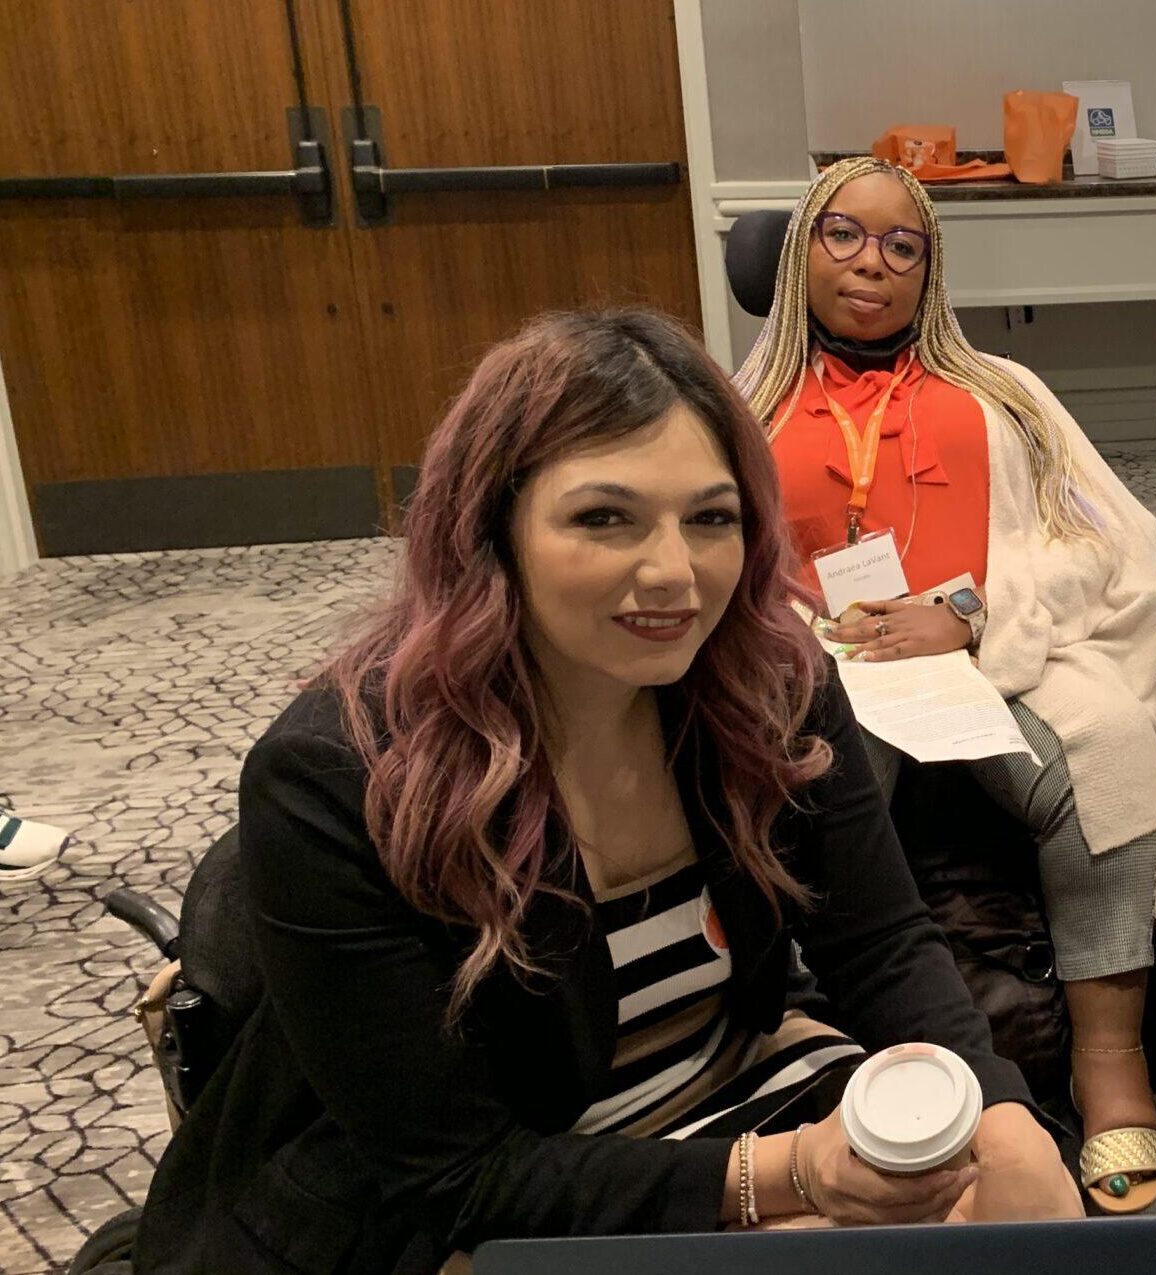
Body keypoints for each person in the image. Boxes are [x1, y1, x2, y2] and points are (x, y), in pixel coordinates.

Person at [137, 311, 1080, 1275]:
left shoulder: (771, 682)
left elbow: (877, 942)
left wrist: (1004, 1120)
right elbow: (455, 1175)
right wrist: (786, 1179)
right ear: (490, 527)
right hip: (484, 1178)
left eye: (710, 518)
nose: (675, 572)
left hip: (729, 1081)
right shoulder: (335, 774)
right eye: (603, 517)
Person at [733, 158, 1156, 1211]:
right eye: (843, 235)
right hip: (817, 671)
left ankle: (1109, 1062)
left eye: (904, 245)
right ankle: (854, 1063)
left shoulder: (1004, 394)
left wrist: (971, 614)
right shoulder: (738, 404)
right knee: (833, 777)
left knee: (1110, 741)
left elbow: (1103, 544)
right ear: (801, 249)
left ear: (930, 271)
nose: (872, 264)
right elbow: (705, 561)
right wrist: (810, 636)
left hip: (987, 660)